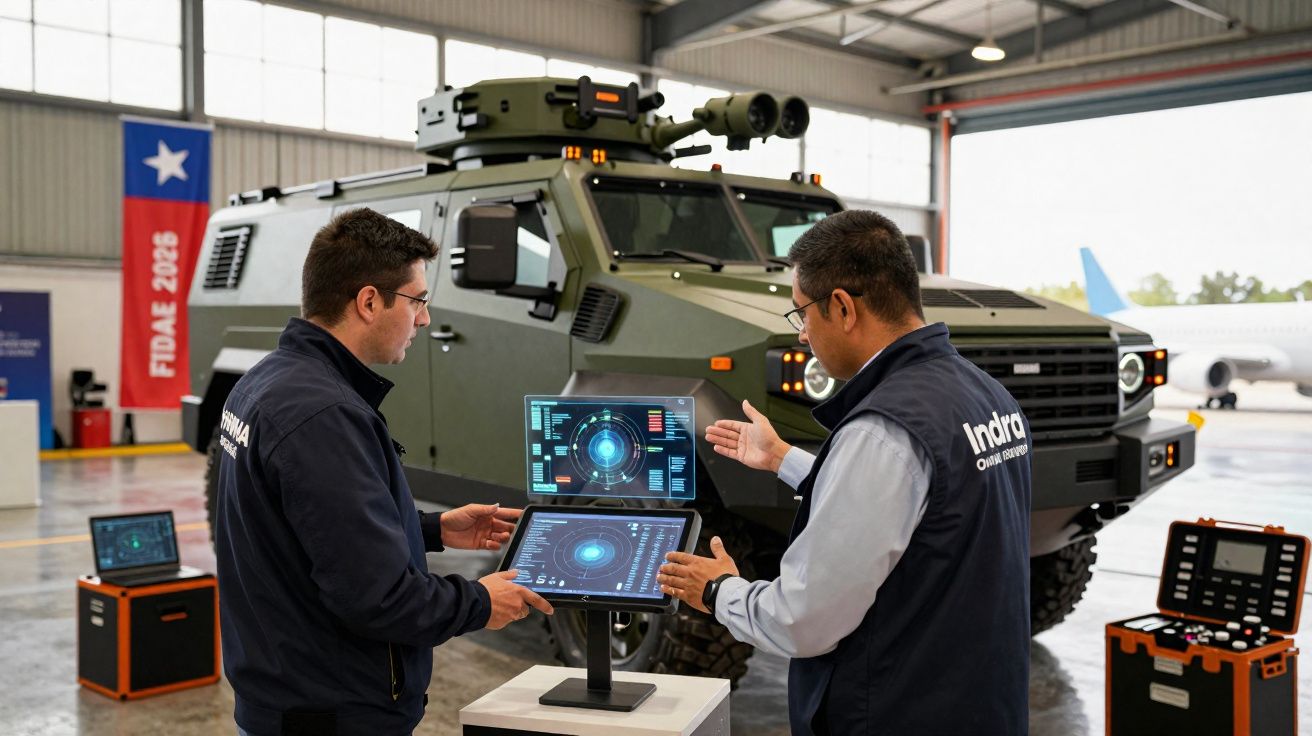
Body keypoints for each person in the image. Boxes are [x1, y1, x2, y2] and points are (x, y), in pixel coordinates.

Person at [658, 210, 1032, 735]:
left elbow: (803, 621)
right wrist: (782, 458)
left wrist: (719, 591)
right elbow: (917, 510)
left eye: (802, 314)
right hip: (981, 702)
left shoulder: (881, 430)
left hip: (899, 712)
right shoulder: (985, 396)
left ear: (842, 307)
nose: (803, 335)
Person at [214, 208, 553, 736]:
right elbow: (379, 600)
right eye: (417, 300)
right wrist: (482, 601)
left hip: (286, 692)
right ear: (369, 302)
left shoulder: (264, 383)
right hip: (332, 711)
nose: (424, 319)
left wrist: (433, 529)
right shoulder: (323, 415)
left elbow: (311, 527)